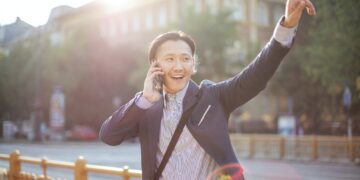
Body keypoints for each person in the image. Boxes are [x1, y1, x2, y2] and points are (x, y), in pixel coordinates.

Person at [99, 0, 316, 179]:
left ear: (193, 65)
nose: (178, 66)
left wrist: (287, 25)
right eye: (170, 59)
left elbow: (256, 75)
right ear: (155, 66)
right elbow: (109, 136)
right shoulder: (146, 107)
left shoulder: (213, 97)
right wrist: (144, 99)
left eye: (185, 59)